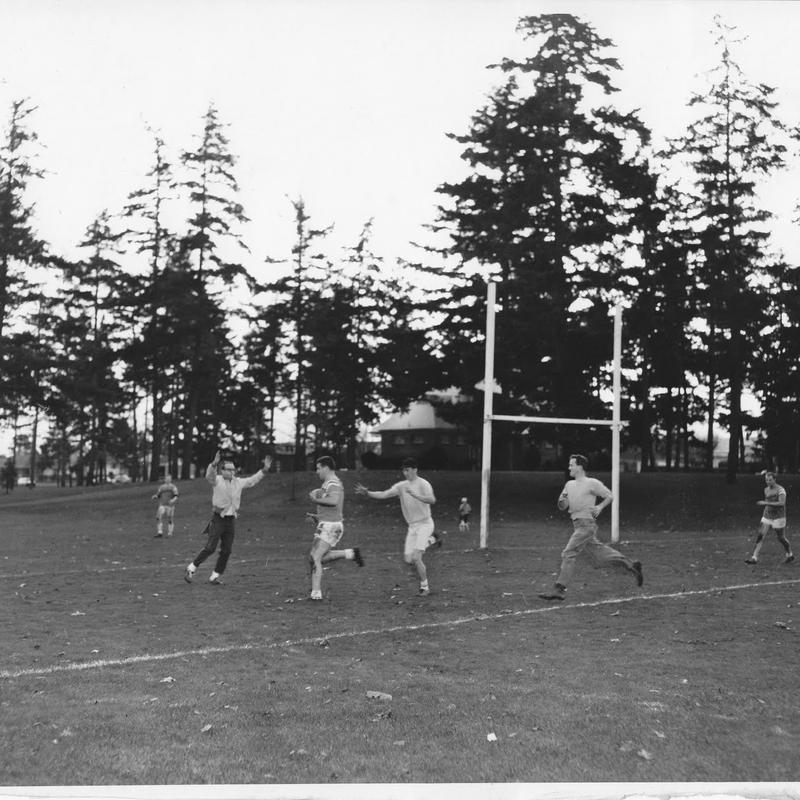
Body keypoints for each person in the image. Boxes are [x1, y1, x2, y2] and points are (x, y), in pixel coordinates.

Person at [539, 453, 643, 602]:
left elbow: (609, 496)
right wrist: (562, 501)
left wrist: (600, 507)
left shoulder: (591, 483)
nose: (569, 467)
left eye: (571, 465)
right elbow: (563, 506)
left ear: (580, 467)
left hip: (586, 525)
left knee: (568, 553)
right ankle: (631, 564)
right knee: (599, 558)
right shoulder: (569, 485)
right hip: (578, 526)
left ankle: (559, 589)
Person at [354, 457, 439, 596]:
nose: (405, 473)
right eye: (404, 470)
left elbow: (432, 500)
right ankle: (432, 540)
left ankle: (425, 587)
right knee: (408, 559)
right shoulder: (401, 486)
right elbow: (384, 494)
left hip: (425, 524)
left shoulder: (423, 484)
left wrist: (416, 495)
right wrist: (368, 493)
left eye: (408, 470)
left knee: (416, 558)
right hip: (412, 527)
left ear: (415, 469)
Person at [184, 451, 273, 585]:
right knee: (210, 548)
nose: (232, 472)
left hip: (230, 520)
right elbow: (209, 475)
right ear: (222, 471)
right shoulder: (217, 480)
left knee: (226, 550)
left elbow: (252, 480)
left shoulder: (238, 482)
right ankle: (192, 568)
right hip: (218, 519)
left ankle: (215, 575)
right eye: (229, 469)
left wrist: (264, 469)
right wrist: (214, 464)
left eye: (233, 469)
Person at [307, 456, 364, 601]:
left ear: (326, 467)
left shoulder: (333, 483)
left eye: (318, 468)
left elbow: (333, 501)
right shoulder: (328, 483)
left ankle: (316, 593)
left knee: (316, 557)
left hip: (331, 526)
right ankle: (350, 553)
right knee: (315, 557)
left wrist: (315, 499)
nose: (317, 471)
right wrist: (317, 517)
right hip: (328, 523)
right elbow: (332, 508)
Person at [745, 471, 794, 565]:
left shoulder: (781, 490)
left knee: (781, 538)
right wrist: (766, 505)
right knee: (760, 536)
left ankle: (789, 554)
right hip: (767, 516)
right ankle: (754, 558)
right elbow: (768, 502)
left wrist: (766, 503)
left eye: (770, 480)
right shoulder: (766, 490)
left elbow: (781, 503)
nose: (768, 482)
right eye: (766, 480)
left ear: (774, 479)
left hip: (779, 517)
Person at [152, 473, 179, 538]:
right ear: (165, 479)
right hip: (162, 504)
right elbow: (158, 495)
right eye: (166, 478)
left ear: (171, 479)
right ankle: (160, 532)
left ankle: (170, 533)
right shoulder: (161, 487)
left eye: (169, 479)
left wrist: (173, 500)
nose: (168, 480)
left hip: (170, 505)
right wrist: (155, 496)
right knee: (158, 517)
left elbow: (176, 495)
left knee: (170, 519)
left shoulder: (173, 487)